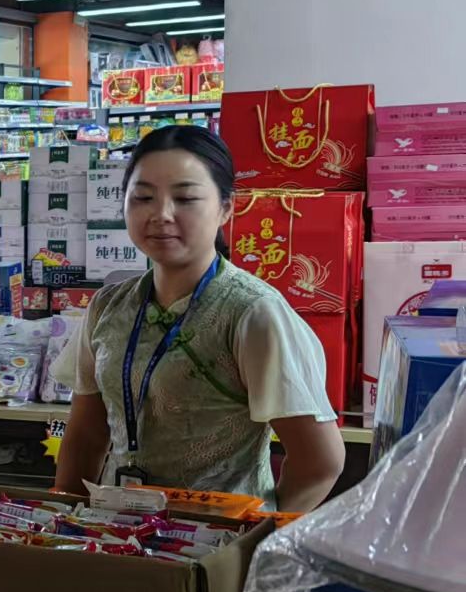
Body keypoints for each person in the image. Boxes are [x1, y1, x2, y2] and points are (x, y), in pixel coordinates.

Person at [54, 126, 345, 510]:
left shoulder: (252, 313)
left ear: (226, 207)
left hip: (218, 537)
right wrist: (66, 521)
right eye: (143, 197)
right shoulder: (110, 305)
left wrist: (258, 533)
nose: (161, 214)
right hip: (116, 531)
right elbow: (87, 435)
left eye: (186, 198)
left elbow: (320, 463)